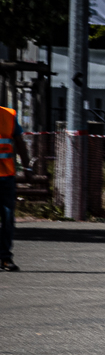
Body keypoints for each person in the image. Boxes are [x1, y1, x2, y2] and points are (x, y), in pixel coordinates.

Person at [1, 104, 32, 272]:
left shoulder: (8, 115)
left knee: (7, 218)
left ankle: (5, 257)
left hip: (6, 177)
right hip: (6, 178)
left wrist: (27, 167)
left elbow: (20, 142)